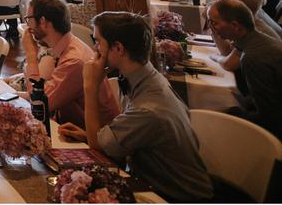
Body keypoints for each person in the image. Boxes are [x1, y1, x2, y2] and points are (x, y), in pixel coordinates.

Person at [58, 12, 213, 202]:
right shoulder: (143, 76)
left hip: (173, 195)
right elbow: (127, 138)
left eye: (98, 42)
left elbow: (96, 146)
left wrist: (90, 87)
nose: (95, 49)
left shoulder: (148, 108)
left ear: (118, 48)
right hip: (149, 179)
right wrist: (88, 134)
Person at [23, 0, 120, 128]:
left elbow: (40, 104)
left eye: (29, 19)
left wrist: (31, 56)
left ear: (43, 22)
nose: (28, 26)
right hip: (76, 128)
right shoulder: (68, 45)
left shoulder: (73, 60)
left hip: (93, 140)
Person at [207, 0, 282, 148]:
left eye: (214, 22)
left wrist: (230, 113)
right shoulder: (260, 41)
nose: (211, 27)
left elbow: (271, 118)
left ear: (235, 26)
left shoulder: (252, 57)